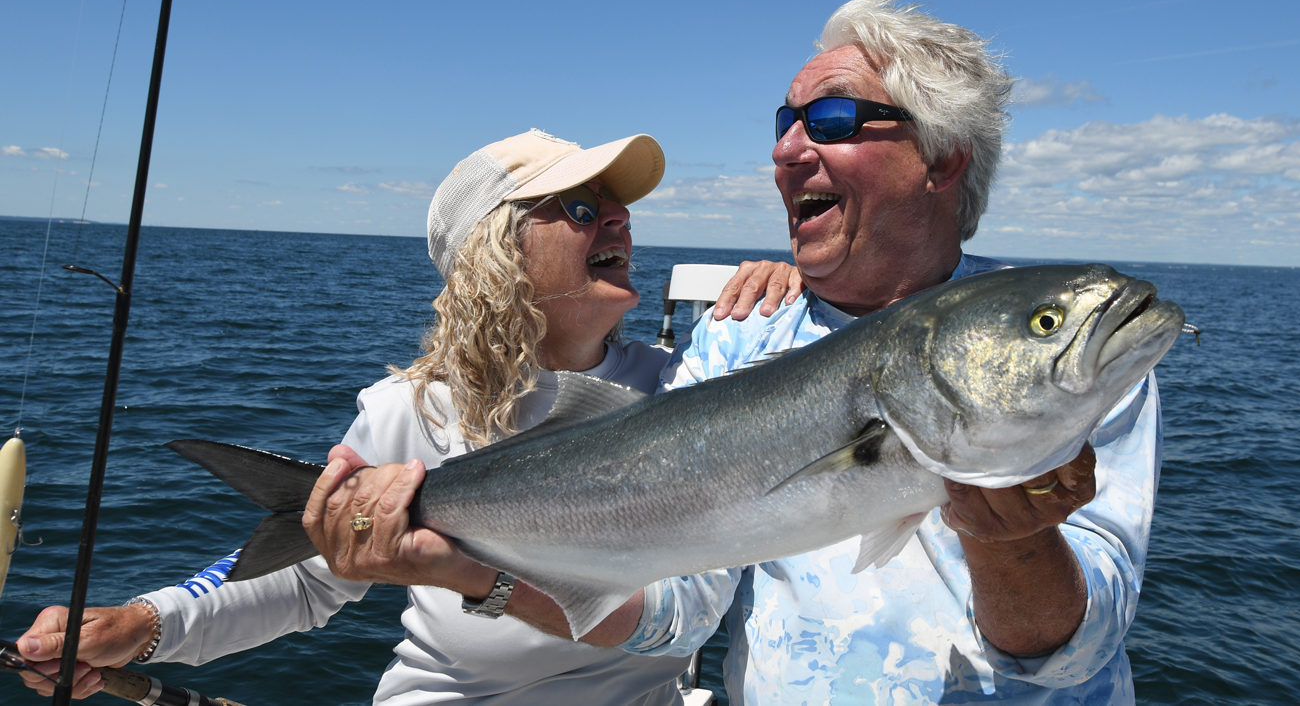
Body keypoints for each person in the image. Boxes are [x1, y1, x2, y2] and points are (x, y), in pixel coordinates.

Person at [17, 128, 800, 705]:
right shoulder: (412, 413)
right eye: (582, 207)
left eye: (621, 208)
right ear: (498, 254)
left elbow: (691, 618)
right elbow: (310, 576)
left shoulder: (686, 396)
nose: (621, 222)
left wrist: (803, 298)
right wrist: (143, 623)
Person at [619, 0, 1161, 704]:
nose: (785, 149)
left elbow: (1077, 652)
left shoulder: (1057, 344)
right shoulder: (739, 332)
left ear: (943, 158)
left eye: (832, 118)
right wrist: (486, 578)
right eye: (786, 121)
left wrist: (1012, 542)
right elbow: (678, 610)